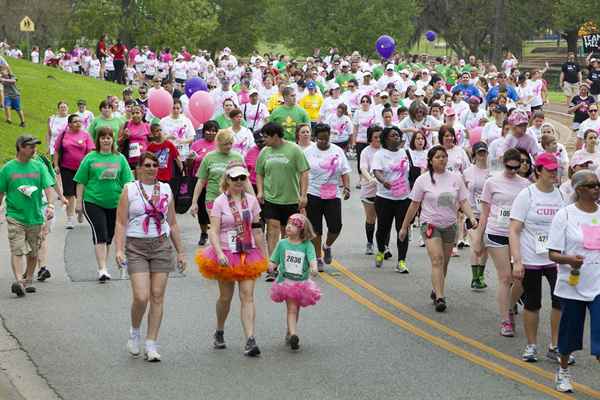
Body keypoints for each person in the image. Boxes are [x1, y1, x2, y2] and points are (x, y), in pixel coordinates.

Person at [113, 152, 187, 362]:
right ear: (138, 168)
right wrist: (119, 249)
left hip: (161, 244)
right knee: (141, 296)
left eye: (155, 165)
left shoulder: (165, 188)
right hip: (136, 245)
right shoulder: (130, 189)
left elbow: (172, 223)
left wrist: (180, 252)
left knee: (157, 295)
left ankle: (151, 343)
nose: (151, 168)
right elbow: (120, 222)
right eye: (147, 165)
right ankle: (135, 332)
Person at [195, 161, 267, 357]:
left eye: (242, 177)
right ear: (227, 179)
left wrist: (266, 258)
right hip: (226, 253)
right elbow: (214, 231)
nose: (238, 181)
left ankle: (250, 339)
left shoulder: (251, 201)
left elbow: (258, 231)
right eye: (234, 178)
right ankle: (219, 330)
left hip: (247, 252)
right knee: (225, 298)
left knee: (247, 296)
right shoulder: (219, 202)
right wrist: (218, 253)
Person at [399, 145, 477, 312]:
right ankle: (441, 298)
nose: (442, 159)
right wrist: (405, 227)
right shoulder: (423, 180)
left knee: (445, 263)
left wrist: (471, 216)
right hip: (430, 224)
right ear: (431, 161)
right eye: (438, 157)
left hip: (450, 225)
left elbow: (463, 201)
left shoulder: (456, 178)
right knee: (437, 259)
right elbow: (414, 205)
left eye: (444, 156)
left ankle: (436, 289)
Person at [509, 153, 570, 364]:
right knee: (533, 303)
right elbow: (514, 230)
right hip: (531, 257)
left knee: (559, 302)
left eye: (556, 169)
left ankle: (555, 345)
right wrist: (517, 260)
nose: (554, 173)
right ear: (538, 171)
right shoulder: (527, 195)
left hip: (556, 259)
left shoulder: (561, 195)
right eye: (549, 170)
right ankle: (531, 344)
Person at [548, 169, 600, 393]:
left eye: (598, 184)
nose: (596, 188)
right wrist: (569, 259)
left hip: (597, 284)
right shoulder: (565, 215)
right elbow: (552, 253)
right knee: (569, 335)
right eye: (591, 185)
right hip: (573, 285)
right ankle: (563, 371)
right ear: (579, 190)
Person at [473, 148, 531, 336]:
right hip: (496, 232)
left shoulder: (525, 185)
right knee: (505, 277)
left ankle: (511, 304)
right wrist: (478, 239)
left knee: (520, 278)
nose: (513, 171)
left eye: (516, 168)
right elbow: (484, 213)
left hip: (519, 234)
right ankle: (505, 320)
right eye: (509, 167)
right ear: (503, 163)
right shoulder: (492, 182)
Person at [74, 127, 134, 282]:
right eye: (103, 137)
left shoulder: (119, 158)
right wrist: (79, 202)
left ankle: (104, 266)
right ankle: (102, 269)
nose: (106, 140)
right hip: (93, 201)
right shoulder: (90, 158)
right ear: (98, 140)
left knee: (109, 236)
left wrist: (130, 201)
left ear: (113, 140)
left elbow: (128, 181)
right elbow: (80, 181)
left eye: (109, 137)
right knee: (100, 232)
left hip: (115, 202)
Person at [0, 135, 55, 297]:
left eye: (35, 147)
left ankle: (29, 279)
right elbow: (1, 191)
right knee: (17, 249)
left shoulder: (38, 167)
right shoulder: (8, 168)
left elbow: (48, 187)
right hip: (15, 216)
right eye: (31, 147)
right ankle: (19, 281)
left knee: (33, 251)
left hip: (35, 216)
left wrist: (51, 205)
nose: (34, 150)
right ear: (21, 148)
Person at [256, 122, 309, 281]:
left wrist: (303, 195)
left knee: (288, 232)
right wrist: (260, 191)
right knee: (272, 229)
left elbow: (304, 172)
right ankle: (272, 267)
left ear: (275, 136)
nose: (263, 140)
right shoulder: (265, 152)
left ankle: (288, 264)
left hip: (291, 198)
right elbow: (259, 173)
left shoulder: (294, 150)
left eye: (266, 137)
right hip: (271, 198)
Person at [269, 213, 321, 350]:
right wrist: (270, 266)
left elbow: (312, 258)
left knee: (295, 309)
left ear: (301, 230)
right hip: (286, 282)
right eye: (288, 223)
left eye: (293, 225)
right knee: (292, 308)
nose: (288, 227)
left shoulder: (307, 245)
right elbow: (274, 260)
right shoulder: (282, 243)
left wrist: (314, 267)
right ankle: (293, 334)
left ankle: (290, 331)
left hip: (301, 283)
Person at [304, 124, 351, 271]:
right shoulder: (308, 152)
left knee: (336, 226)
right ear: (315, 138)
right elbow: (303, 173)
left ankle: (327, 246)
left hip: (332, 193)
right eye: (321, 139)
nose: (324, 142)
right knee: (316, 229)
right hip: (313, 192)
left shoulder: (337, 151)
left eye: (326, 138)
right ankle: (318, 258)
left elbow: (345, 171)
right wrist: (302, 193)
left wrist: (347, 187)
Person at [371, 127, 413, 273]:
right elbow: (376, 171)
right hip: (385, 198)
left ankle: (401, 261)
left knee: (403, 229)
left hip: (403, 197)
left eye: (398, 135)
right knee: (383, 229)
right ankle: (381, 250)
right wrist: (384, 182)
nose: (396, 137)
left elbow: (412, 171)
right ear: (386, 139)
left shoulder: (405, 152)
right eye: (393, 135)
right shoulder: (380, 155)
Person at [190, 129, 244, 218]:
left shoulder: (237, 157)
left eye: (230, 143)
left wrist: (253, 201)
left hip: (233, 198)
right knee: (215, 227)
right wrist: (194, 202)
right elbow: (201, 182)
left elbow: (245, 181)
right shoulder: (209, 157)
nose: (229, 146)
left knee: (231, 228)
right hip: (212, 198)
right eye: (225, 144)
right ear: (218, 143)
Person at [53, 114, 95, 229]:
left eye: (80, 121)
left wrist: (90, 167)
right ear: (69, 124)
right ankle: (70, 218)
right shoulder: (63, 135)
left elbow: (91, 152)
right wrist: (56, 165)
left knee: (82, 193)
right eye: (75, 121)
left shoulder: (85, 135)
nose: (78, 123)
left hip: (82, 169)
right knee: (69, 193)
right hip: (66, 168)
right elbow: (56, 151)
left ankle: (80, 211)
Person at [463, 142, 491, 290]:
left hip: (489, 214)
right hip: (472, 213)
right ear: (474, 154)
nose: (482, 155)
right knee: (476, 244)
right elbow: (462, 193)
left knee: (485, 246)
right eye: (479, 152)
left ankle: (480, 276)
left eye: (484, 152)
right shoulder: (467, 172)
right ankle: (474, 277)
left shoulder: (492, 172)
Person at [190, 120, 218, 246]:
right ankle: (203, 233)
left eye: (214, 130)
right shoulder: (196, 145)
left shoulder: (220, 145)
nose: (211, 133)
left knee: (216, 210)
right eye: (208, 130)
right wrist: (190, 159)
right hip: (200, 182)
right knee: (202, 210)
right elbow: (189, 164)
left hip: (216, 183)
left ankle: (216, 232)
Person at [360, 126, 382, 255]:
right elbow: (363, 168)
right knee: (371, 218)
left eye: (380, 137)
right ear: (370, 138)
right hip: (369, 189)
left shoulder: (386, 151)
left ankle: (383, 245)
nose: (378, 139)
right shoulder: (366, 152)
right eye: (375, 137)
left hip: (384, 190)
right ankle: (369, 242)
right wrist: (370, 178)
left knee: (384, 219)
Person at [118, 104, 151, 169]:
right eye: (133, 113)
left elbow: (151, 142)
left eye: (137, 113)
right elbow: (118, 143)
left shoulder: (147, 126)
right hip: (129, 160)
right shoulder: (126, 125)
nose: (135, 115)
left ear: (142, 114)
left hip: (144, 160)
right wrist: (124, 137)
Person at [352, 95, 377, 180]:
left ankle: (371, 176)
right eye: (363, 101)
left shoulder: (373, 112)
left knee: (372, 158)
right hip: (360, 140)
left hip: (371, 140)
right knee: (360, 160)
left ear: (370, 103)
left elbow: (376, 126)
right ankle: (361, 178)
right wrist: (353, 141)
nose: (365, 103)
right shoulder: (357, 113)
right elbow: (355, 128)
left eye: (367, 101)